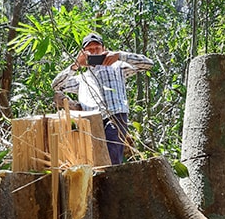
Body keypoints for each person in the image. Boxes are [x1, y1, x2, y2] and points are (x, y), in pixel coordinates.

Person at [51, 32, 154, 165]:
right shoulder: (82, 79)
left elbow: (148, 64)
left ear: (104, 49)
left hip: (115, 115)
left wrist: (119, 55)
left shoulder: (118, 67)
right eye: (90, 50)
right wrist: (75, 65)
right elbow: (56, 85)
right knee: (94, 159)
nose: (94, 52)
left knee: (111, 158)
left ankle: (113, 182)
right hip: (91, 121)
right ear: (83, 52)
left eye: (97, 48)